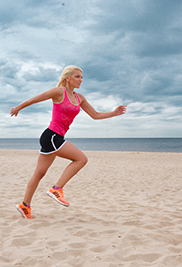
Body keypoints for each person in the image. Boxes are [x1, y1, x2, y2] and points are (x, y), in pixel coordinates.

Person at [10, 65, 127, 219]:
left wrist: (114, 113)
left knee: (39, 173)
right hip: (51, 136)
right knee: (81, 159)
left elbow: (95, 115)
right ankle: (56, 189)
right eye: (77, 76)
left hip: (55, 138)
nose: (80, 80)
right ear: (68, 78)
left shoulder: (80, 98)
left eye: (81, 77)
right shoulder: (59, 92)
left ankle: (25, 206)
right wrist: (18, 107)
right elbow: (35, 99)